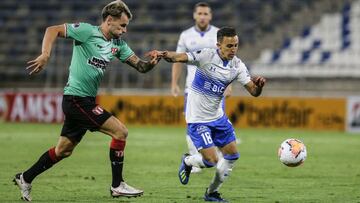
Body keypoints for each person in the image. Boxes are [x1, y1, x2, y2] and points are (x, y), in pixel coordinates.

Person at [13, 1, 161, 201]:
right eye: (122, 25)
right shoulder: (86, 31)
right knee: (121, 131)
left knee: (63, 151)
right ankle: (118, 185)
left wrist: (152, 63)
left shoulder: (118, 45)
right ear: (109, 21)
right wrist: (46, 54)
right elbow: (52, 29)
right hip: (76, 99)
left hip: (85, 100)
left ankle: (26, 177)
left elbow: (141, 67)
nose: (125, 30)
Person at [148, 27, 266, 202]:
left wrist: (260, 86)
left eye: (236, 45)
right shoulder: (206, 56)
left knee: (232, 155)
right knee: (211, 161)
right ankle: (188, 161)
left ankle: (212, 193)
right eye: (229, 46)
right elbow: (180, 57)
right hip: (197, 119)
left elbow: (254, 92)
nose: (233, 49)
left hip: (218, 117)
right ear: (218, 44)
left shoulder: (237, 66)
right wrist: (162, 54)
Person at [171, 2, 232, 174]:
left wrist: (229, 85)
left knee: (216, 122)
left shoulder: (219, 34)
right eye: (200, 13)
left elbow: (229, 61)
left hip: (216, 89)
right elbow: (177, 59)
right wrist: (174, 83)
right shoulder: (185, 35)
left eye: (206, 13)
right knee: (193, 123)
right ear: (194, 15)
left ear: (210, 16)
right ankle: (194, 156)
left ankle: (211, 157)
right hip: (192, 89)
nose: (203, 16)